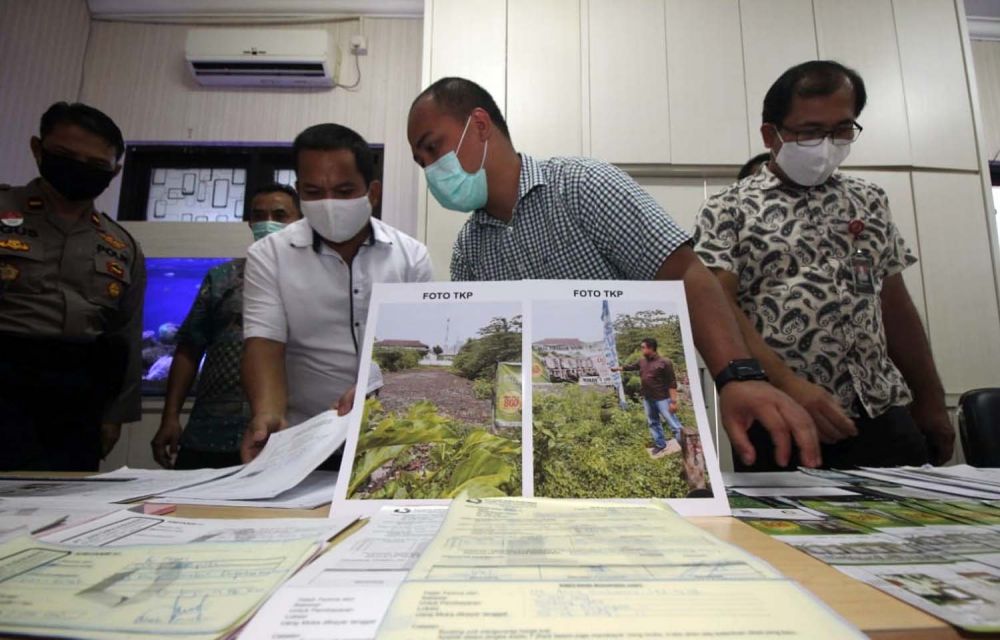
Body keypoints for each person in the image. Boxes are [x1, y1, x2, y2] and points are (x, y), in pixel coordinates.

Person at [407, 77, 820, 470]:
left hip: (628, 427)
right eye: (421, 161)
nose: (430, 170)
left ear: (479, 125)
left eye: (432, 149)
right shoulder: (468, 249)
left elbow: (686, 274)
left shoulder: (583, 186)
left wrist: (736, 376)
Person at [694, 60, 954, 470]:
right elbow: (720, 309)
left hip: (882, 410)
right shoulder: (729, 208)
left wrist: (932, 399)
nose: (827, 143)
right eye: (811, 131)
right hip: (784, 415)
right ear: (771, 135)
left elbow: (895, 307)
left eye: (842, 129)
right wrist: (790, 384)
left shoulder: (869, 201)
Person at [240, 124, 433, 462]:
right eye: (314, 192)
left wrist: (378, 384)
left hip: (392, 435)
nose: (329, 204)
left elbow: (416, 344)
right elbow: (264, 342)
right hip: (303, 439)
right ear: (299, 191)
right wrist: (266, 413)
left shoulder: (410, 256)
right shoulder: (269, 255)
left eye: (344, 192)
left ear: (372, 193)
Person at [0, 102, 145, 471]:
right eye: (65, 156)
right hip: (6, 368)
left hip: (76, 393)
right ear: (38, 149)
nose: (79, 169)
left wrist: (114, 413)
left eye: (96, 165)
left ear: (115, 171)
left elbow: (125, 333)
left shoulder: (119, 242)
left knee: (64, 505)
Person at [150, 183, 302, 469]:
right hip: (212, 430)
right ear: (250, 222)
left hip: (284, 431)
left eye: (280, 215)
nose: (268, 222)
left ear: (299, 222)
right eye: (259, 215)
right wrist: (170, 417)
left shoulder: (315, 280)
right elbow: (189, 349)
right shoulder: (221, 278)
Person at [613, 338, 683, 456]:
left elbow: (672, 383)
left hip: (662, 399)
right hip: (648, 398)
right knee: (653, 422)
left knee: (673, 424)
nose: (641, 349)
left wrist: (673, 402)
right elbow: (632, 367)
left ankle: (687, 445)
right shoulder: (642, 361)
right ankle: (660, 444)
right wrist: (618, 368)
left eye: (643, 347)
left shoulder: (665, 362)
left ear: (651, 348)